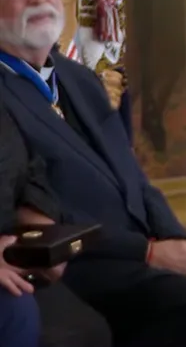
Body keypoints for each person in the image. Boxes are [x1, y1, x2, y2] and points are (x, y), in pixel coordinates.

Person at [0, 0, 186, 347]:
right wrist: (150, 254)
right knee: (176, 299)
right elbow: (48, 213)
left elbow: (134, 179)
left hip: (138, 256)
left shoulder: (78, 77)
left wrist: (182, 247)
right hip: (78, 263)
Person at [0, 96, 112, 347]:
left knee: (88, 331)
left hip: (11, 255)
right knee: (20, 313)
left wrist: (44, 238)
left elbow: (27, 169)